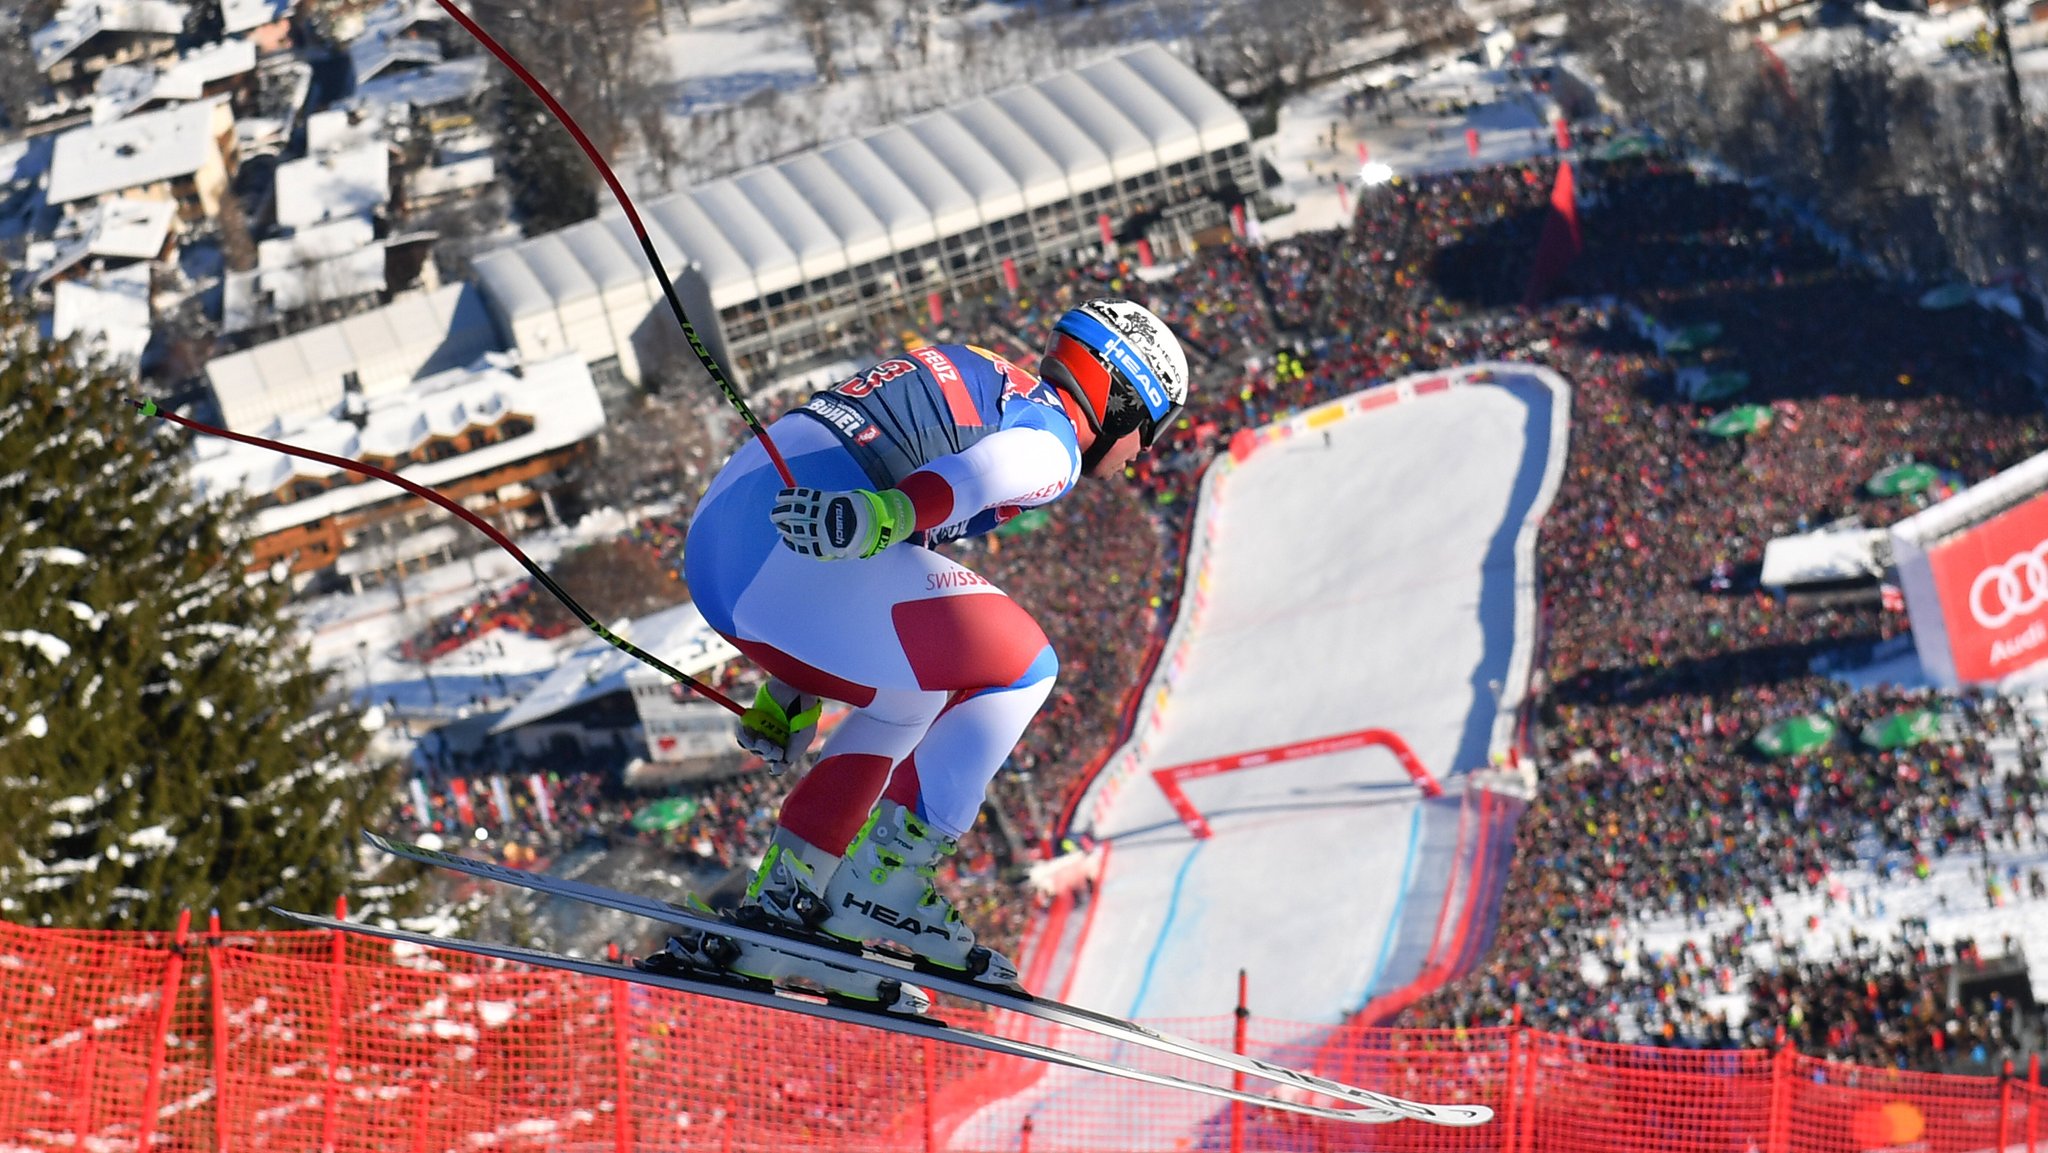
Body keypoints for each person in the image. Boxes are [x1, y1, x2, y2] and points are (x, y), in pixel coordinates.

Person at [648, 299, 1189, 1014]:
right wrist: (889, 515)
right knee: (1027, 667)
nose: (1143, 454)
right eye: (1149, 431)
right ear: (1121, 399)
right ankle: (886, 886)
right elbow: (985, 474)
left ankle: (786, 904)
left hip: (732, 549)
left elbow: (881, 547)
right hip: (792, 552)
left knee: (914, 695)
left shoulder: (989, 381)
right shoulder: (1052, 438)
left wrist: (789, 685)